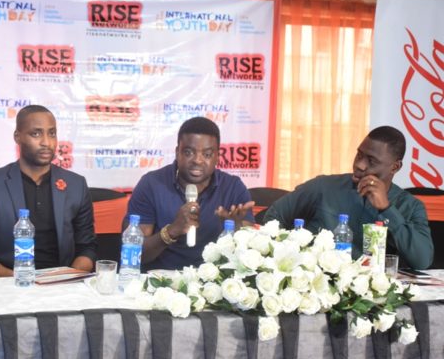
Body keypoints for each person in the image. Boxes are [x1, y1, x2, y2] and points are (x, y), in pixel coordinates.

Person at [264, 125, 433, 270]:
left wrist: (386, 209)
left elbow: (422, 261)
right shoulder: (323, 187)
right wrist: (294, 257)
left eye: (371, 161)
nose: (360, 165)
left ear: (395, 167)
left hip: (372, 298)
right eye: (359, 155)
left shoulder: (410, 206)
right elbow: (273, 218)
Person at [0, 105, 96, 276]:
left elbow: (87, 248)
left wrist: (66, 276)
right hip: (9, 285)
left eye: (52, 133)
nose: (46, 142)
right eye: (36, 134)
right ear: (17, 137)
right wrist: (21, 279)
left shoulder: (76, 184)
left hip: (62, 286)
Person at [126, 116, 255, 271]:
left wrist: (238, 230)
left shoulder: (233, 187)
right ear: (177, 152)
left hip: (213, 285)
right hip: (159, 282)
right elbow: (134, 254)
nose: (197, 161)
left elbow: (251, 256)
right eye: (188, 152)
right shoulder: (151, 184)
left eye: (207, 154)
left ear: (217, 157)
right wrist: (172, 230)